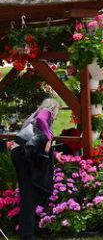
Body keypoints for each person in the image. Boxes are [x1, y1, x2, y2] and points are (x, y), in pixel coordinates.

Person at [11, 98, 61, 240]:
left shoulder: (32, 116)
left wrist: (54, 153)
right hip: (24, 155)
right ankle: (27, 235)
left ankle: (29, 231)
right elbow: (41, 120)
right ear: (54, 108)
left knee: (29, 194)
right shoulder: (46, 111)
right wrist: (49, 136)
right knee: (29, 195)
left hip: (19, 153)